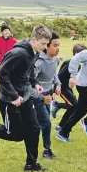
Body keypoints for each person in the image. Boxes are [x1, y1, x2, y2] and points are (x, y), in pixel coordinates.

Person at [0, 24, 52, 172]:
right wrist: (13, 96)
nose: (45, 47)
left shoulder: (33, 53)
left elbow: (28, 72)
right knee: (17, 135)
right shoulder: (19, 53)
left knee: (34, 129)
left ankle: (31, 165)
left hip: (25, 97)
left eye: (46, 44)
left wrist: (35, 83)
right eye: (43, 44)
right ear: (33, 39)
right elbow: (2, 74)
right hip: (9, 100)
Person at [33, 31, 61, 160]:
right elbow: (31, 79)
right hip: (38, 96)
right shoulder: (39, 62)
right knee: (46, 123)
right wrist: (40, 94)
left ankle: (37, 146)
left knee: (42, 123)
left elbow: (54, 75)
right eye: (55, 45)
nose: (58, 48)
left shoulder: (55, 60)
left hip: (48, 95)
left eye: (58, 45)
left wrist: (57, 85)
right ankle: (47, 150)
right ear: (46, 47)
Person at [51, 44, 87, 131]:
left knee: (74, 106)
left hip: (67, 88)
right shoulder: (71, 64)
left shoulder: (75, 63)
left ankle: (61, 125)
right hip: (63, 88)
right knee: (74, 105)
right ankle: (57, 105)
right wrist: (56, 88)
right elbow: (59, 76)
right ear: (76, 54)